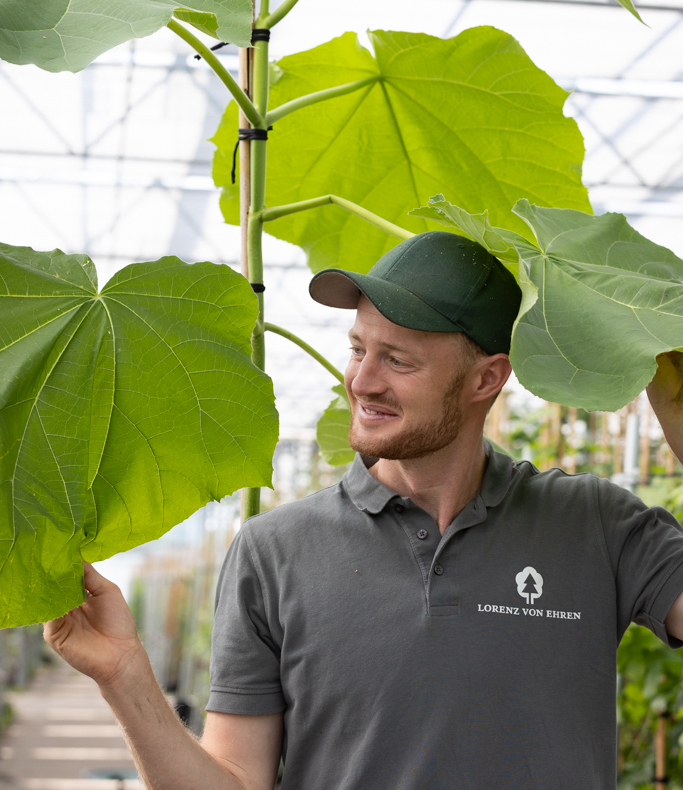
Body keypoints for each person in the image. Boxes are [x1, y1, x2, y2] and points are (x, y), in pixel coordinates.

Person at [45, 231, 683, 790]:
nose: (361, 381)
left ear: (486, 380)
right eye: (358, 349)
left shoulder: (597, 525)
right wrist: (125, 677)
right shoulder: (273, 551)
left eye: (397, 360)